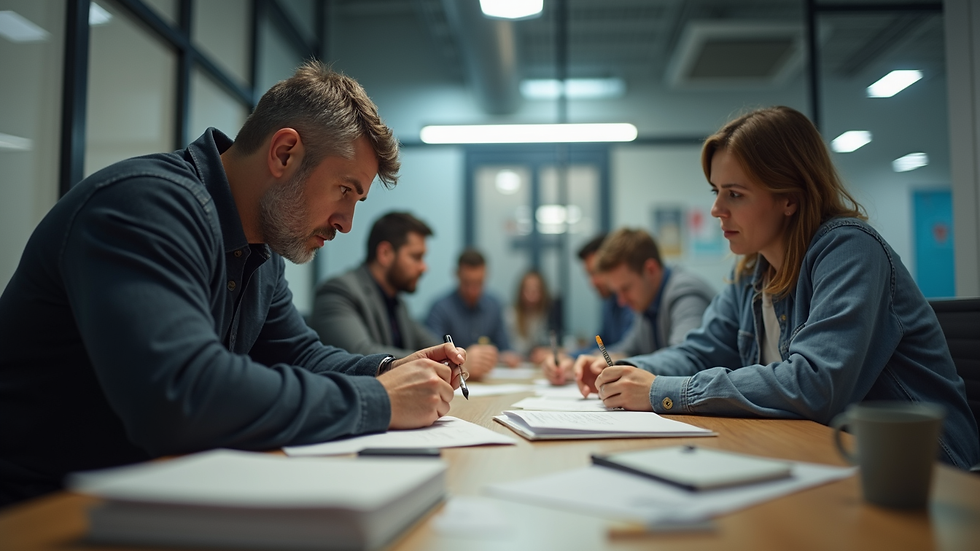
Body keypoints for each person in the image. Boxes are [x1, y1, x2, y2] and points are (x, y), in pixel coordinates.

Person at [0, 62, 466, 507]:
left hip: (147, 498)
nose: (346, 223)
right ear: (284, 153)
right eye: (345, 190)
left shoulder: (259, 250)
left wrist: (387, 370)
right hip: (41, 512)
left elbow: (298, 355)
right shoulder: (146, 206)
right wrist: (378, 401)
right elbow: (181, 397)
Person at [576, 106, 979, 469]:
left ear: (789, 197)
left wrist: (662, 391)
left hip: (924, 471)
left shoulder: (850, 250)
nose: (717, 209)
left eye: (735, 194)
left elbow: (815, 384)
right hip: (827, 457)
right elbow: (698, 352)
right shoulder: (753, 273)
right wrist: (629, 371)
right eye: (716, 192)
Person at [545, 228, 716, 384]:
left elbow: (684, 359)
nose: (621, 301)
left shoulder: (686, 293)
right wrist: (588, 362)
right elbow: (627, 349)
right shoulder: (647, 303)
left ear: (650, 270)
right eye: (617, 292)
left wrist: (623, 365)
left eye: (625, 289)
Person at [310, 211, 440, 357]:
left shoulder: (397, 302)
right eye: (416, 257)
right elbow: (361, 354)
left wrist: (453, 355)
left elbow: (432, 346)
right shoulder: (338, 291)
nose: (424, 267)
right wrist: (433, 359)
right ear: (385, 253)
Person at [426, 248, 520, 377]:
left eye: (478, 283)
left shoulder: (494, 306)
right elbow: (432, 357)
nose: (472, 290)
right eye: (467, 283)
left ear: (486, 276)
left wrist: (505, 357)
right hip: (454, 383)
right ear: (457, 275)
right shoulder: (440, 309)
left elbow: (505, 348)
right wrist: (464, 362)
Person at [577, 233, 634, 348]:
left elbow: (627, 349)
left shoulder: (630, 300)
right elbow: (601, 344)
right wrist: (569, 355)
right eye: (589, 275)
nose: (593, 282)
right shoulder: (609, 301)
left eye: (596, 272)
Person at [506, 270, 553, 364]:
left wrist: (546, 352)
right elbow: (507, 347)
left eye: (536, 290)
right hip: (516, 365)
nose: (531, 294)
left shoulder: (549, 315)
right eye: (527, 290)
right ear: (520, 292)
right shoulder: (510, 315)